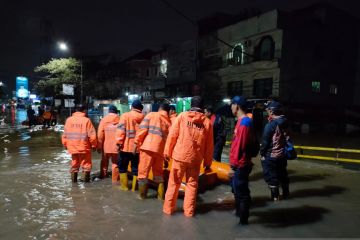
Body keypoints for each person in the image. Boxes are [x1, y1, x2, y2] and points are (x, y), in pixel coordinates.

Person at [163, 96, 213, 217]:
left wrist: (166, 153)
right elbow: (209, 145)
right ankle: (189, 213)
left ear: (191, 104)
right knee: (192, 186)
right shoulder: (207, 122)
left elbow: (172, 136)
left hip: (179, 157)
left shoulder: (182, 116)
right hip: (195, 159)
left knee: (174, 184)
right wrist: (207, 162)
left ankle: (168, 210)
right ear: (202, 107)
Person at [134, 103, 171, 200]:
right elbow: (169, 140)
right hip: (160, 150)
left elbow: (142, 130)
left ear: (160, 108)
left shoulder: (151, 115)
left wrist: (136, 143)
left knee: (143, 174)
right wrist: (167, 156)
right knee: (158, 175)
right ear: (168, 111)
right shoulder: (169, 122)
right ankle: (160, 198)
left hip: (147, 148)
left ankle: (142, 197)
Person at [229, 96, 256, 225]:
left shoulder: (244, 123)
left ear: (237, 106)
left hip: (241, 164)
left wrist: (233, 165)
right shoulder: (241, 121)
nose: (231, 108)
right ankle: (239, 213)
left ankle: (243, 222)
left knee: (242, 193)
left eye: (232, 105)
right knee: (236, 190)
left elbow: (240, 145)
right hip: (238, 163)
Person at [260, 100, 289, 201]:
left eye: (267, 110)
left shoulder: (271, 125)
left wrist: (262, 154)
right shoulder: (285, 121)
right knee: (283, 175)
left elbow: (265, 142)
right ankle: (286, 195)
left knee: (271, 177)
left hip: (271, 156)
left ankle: (275, 199)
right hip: (283, 155)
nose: (267, 112)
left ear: (271, 112)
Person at [62, 105, 97, 183]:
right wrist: (94, 145)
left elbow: (65, 134)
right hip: (84, 147)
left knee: (74, 164)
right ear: (84, 111)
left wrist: (65, 144)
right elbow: (92, 135)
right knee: (86, 166)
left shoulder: (69, 120)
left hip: (72, 147)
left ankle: (74, 185)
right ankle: (87, 186)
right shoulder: (86, 120)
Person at [116, 99, 144, 191]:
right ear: (141, 108)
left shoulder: (125, 116)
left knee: (122, 168)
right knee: (135, 169)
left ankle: (124, 188)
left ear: (132, 107)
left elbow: (121, 130)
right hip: (138, 148)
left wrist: (118, 143)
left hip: (126, 147)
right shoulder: (144, 118)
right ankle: (133, 189)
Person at [97, 105, 120, 182]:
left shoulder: (104, 120)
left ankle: (103, 177)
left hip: (105, 146)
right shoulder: (120, 119)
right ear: (116, 111)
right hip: (116, 146)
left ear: (109, 111)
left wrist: (99, 146)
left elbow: (100, 134)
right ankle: (115, 181)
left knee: (104, 162)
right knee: (115, 164)